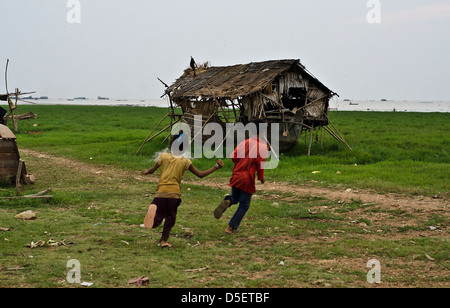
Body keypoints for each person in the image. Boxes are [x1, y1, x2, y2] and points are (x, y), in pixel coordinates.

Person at [142, 137, 224, 248]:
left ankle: (153, 216)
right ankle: (163, 241)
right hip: (174, 194)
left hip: (160, 192)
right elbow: (200, 175)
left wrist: (146, 172)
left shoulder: (164, 156)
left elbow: (151, 171)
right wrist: (216, 167)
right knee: (171, 217)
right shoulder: (185, 161)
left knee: (159, 216)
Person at [214, 121, 268, 234]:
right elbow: (260, 165)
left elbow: (233, 157)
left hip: (236, 175)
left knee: (235, 197)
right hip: (247, 179)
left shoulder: (245, 142)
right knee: (244, 204)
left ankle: (228, 201)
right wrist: (261, 177)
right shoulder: (263, 146)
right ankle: (230, 227)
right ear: (263, 131)